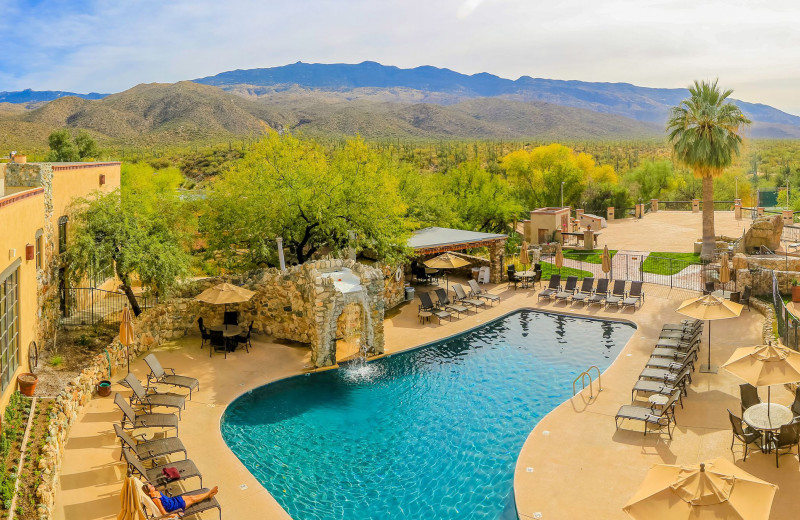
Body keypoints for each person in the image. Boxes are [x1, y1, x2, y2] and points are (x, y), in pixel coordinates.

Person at [143, 483, 218, 515]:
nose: (153, 486)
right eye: (151, 487)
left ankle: (209, 495)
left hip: (173, 500)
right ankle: (209, 493)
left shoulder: (155, 492)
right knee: (193, 499)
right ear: (149, 492)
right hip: (175, 506)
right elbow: (163, 512)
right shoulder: (155, 498)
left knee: (191, 497)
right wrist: (175, 515)